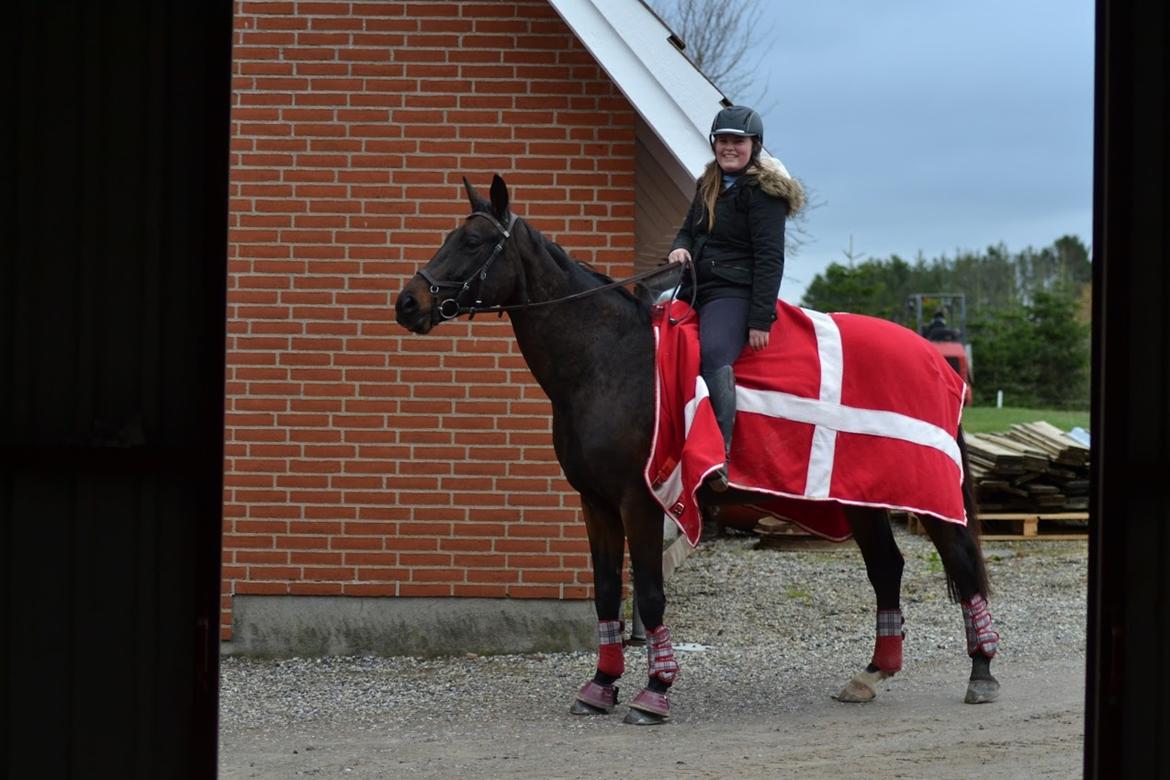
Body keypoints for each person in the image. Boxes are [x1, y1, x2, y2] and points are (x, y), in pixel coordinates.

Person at [667, 105, 805, 492]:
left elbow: (770, 258)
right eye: (723, 141)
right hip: (697, 287)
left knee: (712, 355)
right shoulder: (708, 183)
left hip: (735, 292)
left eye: (737, 142)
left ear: (754, 146)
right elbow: (687, 231)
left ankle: (719, 457)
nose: (729, 148)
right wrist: (680, 250)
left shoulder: (764, 193)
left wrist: (761, 318)